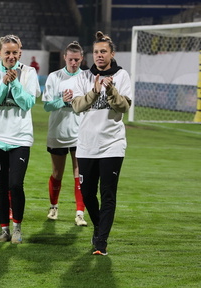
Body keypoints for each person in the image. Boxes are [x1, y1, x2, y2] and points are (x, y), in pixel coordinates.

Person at [72, 31, 132, 256]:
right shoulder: (83, 77)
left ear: (112, 54)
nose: (99, 55)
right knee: (87, 193)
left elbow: (124, 107)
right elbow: (77, 106)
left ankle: (101, 243)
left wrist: (110, 89)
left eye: (103, 51)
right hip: (87, 144)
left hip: (112, 145)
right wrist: (95, 91)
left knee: (107, 194)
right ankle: (99, 226)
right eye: (96, 52)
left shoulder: (122, 75)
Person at [0, 35, 40, 244]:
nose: (11, 56)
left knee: (15, 184)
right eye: (7, 52)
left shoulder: (29, 72)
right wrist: (3, 85)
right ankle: (4, 229)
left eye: (15, 52)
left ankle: (17, 227)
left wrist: (13, 84)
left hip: (20, 139)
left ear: (20, 52)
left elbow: (27, 103)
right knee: (0, 186)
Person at [42, 41, 87, 226]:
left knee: (79, 174)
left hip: (80, 133)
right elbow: (46, 105)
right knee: (57, 173)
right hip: (58, 133)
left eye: (77, 60)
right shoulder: (54, 77)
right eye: (71, 59)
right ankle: (53, 206)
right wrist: (62, 100)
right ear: (64, 58)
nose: (74, 63)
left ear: (82, 58)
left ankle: (79, 213)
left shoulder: (87, 78)